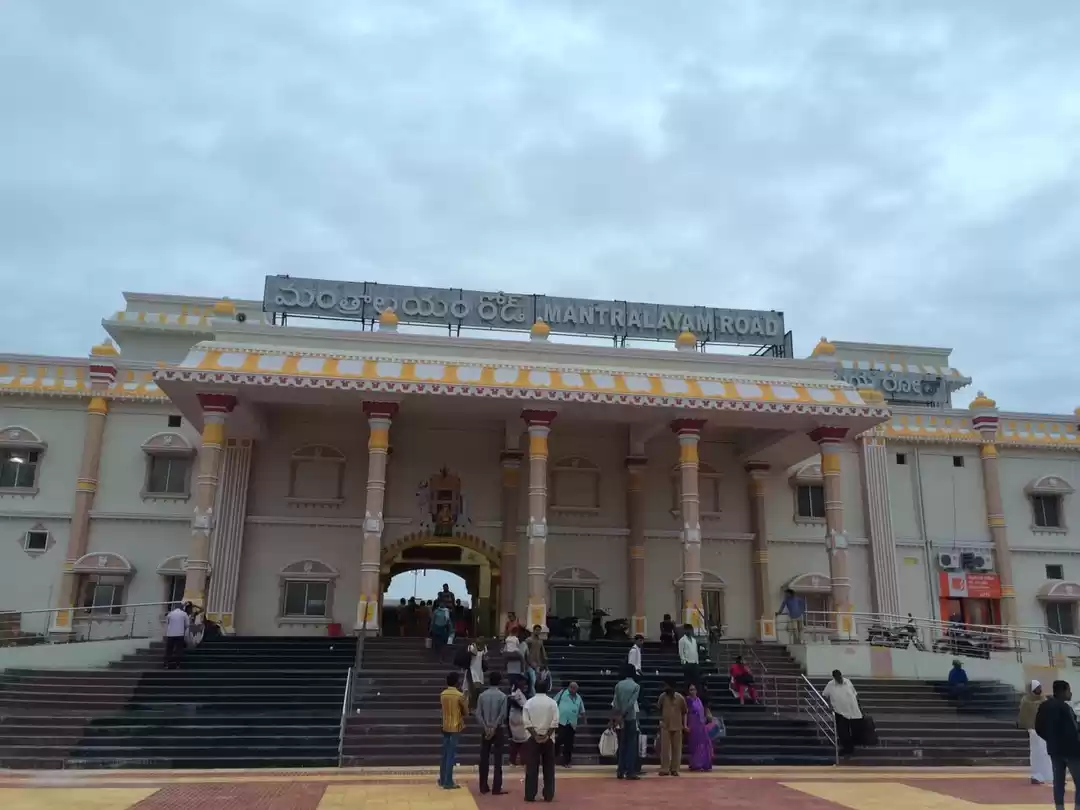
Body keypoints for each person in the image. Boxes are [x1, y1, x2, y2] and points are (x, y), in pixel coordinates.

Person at [1035, 679, 1080, 809]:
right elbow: (1073, 729)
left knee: (1058, 782)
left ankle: (1059, 807)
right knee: (1079, 781)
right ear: (1063, 691)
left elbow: (1038, 727)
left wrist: (1050, 739)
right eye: (1069, 690)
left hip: (1054, 750)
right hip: (1072, 751)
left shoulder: (1044, 706)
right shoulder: (1065, 708)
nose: (1070, 693)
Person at [523, 677, 559, 802]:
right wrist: (547, 735)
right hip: (549, 739)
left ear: (535, 688)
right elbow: (555, 722)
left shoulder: (529, 702)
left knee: (532, 768)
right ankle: (548, 794)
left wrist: (535, 735)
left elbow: (526, 722)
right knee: (549, 768)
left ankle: (530, 794)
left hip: (533, 739)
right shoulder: (552, 703)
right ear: (547, 689)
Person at [476, 670, 509, 795]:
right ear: (499, 681)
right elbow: (503, 714)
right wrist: (494, 727)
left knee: (484, 758)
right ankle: (496, 787)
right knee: (498, 759)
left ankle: (483, 786)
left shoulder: (482, 696)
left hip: (485, 729)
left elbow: (478, 713)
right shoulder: (502, 696)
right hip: (498, 729)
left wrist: (486, 727)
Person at [612, 663, 643, 780]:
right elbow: (632, 702)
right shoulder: (636, 686)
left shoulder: (618, 685)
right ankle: (630, 771)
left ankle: (620, 770)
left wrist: (618, 715)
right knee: (631, 745)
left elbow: (615, 702)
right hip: (630, 717)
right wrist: (624, 713)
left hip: (620, 718)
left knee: (622, 745)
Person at [439, 671, 468, 790]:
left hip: (445, 725)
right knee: (451, 754)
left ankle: (442, 778)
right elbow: (465, 711)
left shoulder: (443, 694)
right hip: (455, 726)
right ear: (457, 682)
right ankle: (448, 781)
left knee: (445, 754)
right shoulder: (459, 695)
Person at [823, 669, 862, 757]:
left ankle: (850, 747)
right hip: (839, 712)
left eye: (840, 677)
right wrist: (829, 706)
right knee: (842, 732)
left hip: (852, 711)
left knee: (851, 730)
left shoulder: (847, 682)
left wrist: (859, 706)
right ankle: (846, 748)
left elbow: (855, 694)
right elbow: (825, 695)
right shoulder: (830, 685)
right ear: (834, 678)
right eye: (837, 678)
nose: (839, 679)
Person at [1019, 679, 1050, 785]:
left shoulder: (1044, 700)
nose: (1039, 690)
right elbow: (1024, 716)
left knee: (1045, 753)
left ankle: (1047, 775)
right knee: (1036, 753)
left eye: (1040, 687)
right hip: (1033, 730)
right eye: (1037, 688)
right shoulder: (1026, 701)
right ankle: (1037, 775)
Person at [656, 679, 688, 776]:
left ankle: (675, 769)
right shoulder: (662, 697)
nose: (666, 688)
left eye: (668, 686)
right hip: (665, 725)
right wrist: (660, 721)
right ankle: (665, 768)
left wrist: (684, 725)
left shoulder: (680, 698)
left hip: (677, 725)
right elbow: (658, 709)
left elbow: (685, 712)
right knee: (665, 748)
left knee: (677, 749)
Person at [553, 681, 586, 767]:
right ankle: (553, 757)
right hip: (561, 721)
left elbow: (582, 710)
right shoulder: (562, 693)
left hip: (572, 723)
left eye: (575, 689)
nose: (572, 690)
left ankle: (567, 761)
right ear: (569, 687)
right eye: (571, 688)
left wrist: (584, 718)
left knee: (569, 743)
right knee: (559, 739)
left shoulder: (578, 698)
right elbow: (553, 702)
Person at [685, 683, 713, 772]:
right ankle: (695, 764)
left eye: (694, 689)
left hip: (701, 724)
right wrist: (685, 725)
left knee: (704, 744)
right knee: (694, 745)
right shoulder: (688, 700)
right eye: (690, 690)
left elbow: (702, 711)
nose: (692, 691)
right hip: (692, 723)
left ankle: (704, 764)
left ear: (696, 691)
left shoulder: (699, 700)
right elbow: (685, 713)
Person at [507, 675, 530, 767]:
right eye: (523, 682)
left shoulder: (519, 692)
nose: (524, 684)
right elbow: (520, 704)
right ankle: (520, 760)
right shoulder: (516, 693)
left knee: (518, 741)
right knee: (521, 741)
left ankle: (516, 760)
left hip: (518, 717)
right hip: (517, 718)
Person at [164, 603, 190, 669]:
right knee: (179, 649)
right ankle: (177, 664)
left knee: (169, 650)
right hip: (180, 634)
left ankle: (166, 664)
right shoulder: (184, 614)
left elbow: (167, 623)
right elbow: (187, 624)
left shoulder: (170, 614)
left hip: (170, 634)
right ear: (182, 607)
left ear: (174, 607)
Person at [526, 625, 548, 695]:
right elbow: (526, 652)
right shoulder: (528, 640)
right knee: (533, 680)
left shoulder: (540, 641)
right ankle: (533, 696)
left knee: (536, 681)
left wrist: (545, 664)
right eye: (537, 630)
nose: (538, 631)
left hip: (538, 664)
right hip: (530, 664)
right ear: (533, 630)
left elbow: (543, 653)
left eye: (539, 630)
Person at [678, 623, 700, 691]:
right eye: (687, 630)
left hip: (695, 662)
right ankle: (687, 694)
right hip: (687, 663)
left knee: (696, 680)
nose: (689, 631)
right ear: (685, 630)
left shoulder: (694, 640)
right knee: (688, 681)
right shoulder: (682, 640)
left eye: (690, 630)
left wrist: (697, 661)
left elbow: (695, 651)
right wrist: (684, 661)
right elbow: (681, 652)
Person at [467, 637, 487, 708]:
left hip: (479, 670)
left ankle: (476, 706)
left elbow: (484, 656)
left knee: (478, 690)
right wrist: (475, 646)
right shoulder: (471, 647)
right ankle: (470, 707)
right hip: (472, 670)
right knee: (473, 690)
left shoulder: (484, 648)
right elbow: (474, 653)